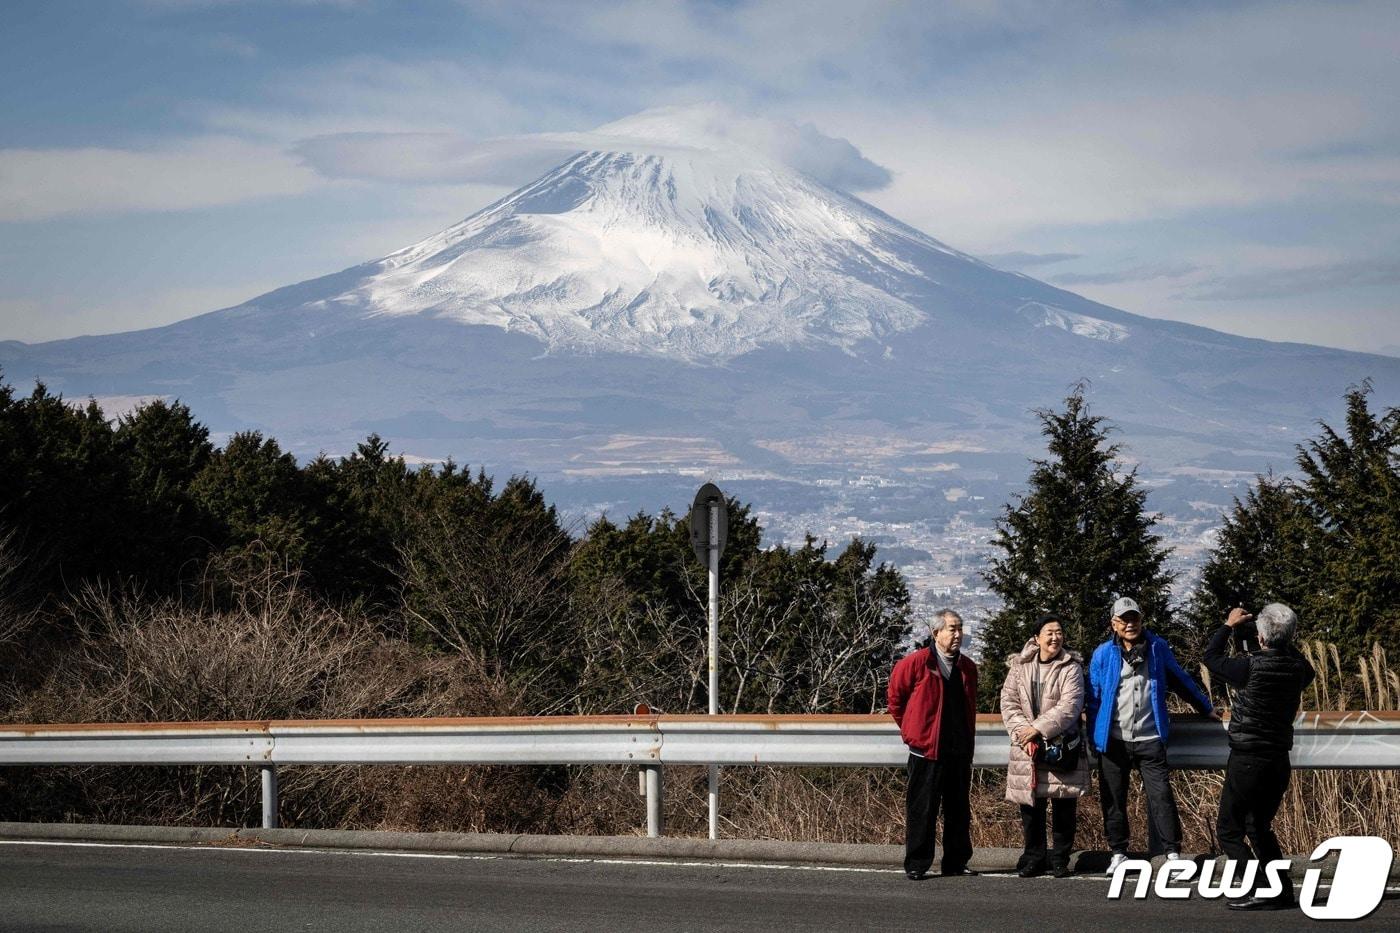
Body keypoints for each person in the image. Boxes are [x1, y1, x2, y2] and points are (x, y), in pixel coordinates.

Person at [1086, 596, 1218, 875]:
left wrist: (1205, 707)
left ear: (1141, 620)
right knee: (1114, 799)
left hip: (1150, 738)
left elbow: (1181, 679)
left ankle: (1172, 853)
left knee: (1161, 797)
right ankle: (1118, 853)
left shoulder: (1157, 648)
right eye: (1123, 619)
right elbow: (1094, 698)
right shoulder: (1102, 654)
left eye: (1134, 618)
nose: (1129, 624)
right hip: (1114, 739)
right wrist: (1094, 736)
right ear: (1114, 623)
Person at [1205, 603, 1316, 912]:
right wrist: (1279, 639)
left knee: (1229, 828)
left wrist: (1228, 626)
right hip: (1278, 760)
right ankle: (1280, 891)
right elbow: (1299, 664)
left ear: (1261, 636)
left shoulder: (1249, 667)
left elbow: (1211, 658)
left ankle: (1256, 887)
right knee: (1259, 826)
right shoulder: (1298, 670)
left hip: (1247, 758)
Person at [887, 609, 979, 880]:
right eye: (951, 628)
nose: (957, 634)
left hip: (958, 749)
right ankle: (917, 863)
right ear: (936, 633)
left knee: (959, 811)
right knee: (922, 810)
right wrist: (913, 731)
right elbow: (895, 699)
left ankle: (956, 861)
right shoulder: (917, 663)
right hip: (926, 750)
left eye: (960, 628)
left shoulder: (968, 668)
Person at [1000, 613, 1089, 877]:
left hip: (1061, 745)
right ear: (1036, 638)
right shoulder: (1020, 665)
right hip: (1026, 747)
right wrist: (1022, 733)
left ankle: (1061, 858)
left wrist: (1035, 730)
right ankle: (1034, 857)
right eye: (1049, 632)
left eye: (1059, 632)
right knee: (1030, 806)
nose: (1055, 637)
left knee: (1064, 805)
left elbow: (1070, 706)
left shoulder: (1071, 666)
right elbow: (1009, 702)